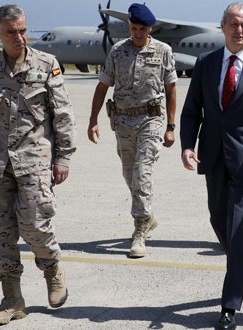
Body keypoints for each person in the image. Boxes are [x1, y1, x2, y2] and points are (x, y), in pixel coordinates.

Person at [0, 5, 77, 325]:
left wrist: (64, 157)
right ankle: (13, 300)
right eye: (11, 32)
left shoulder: (47, 64)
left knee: (36, 226)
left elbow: (63, 115)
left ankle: (52, 268)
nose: (20, 37)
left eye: (23, 30)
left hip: (36, 161)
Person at [180, 3, 243, 329]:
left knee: (240, 228)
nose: (240, 31)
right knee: (217, 218)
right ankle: (242, 266)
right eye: (234, 24)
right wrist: (187, 145)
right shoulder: (205, 63)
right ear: (223, 26)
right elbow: (192, 109)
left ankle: (229, 308)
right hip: (212, 153)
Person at [88, 3, 177, 258]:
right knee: (130, 174)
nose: (138, 33)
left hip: (151, 120)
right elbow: (103, 86)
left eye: (143, 29)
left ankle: (140, 229)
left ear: (150, 28)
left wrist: (171, 126)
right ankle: (149, 215)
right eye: (134, 28)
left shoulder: (163, 51)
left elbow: (171, 88)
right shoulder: (118, 51)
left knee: (142, 172)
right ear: (129, 26)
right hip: (123, 122)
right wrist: (93, 119)